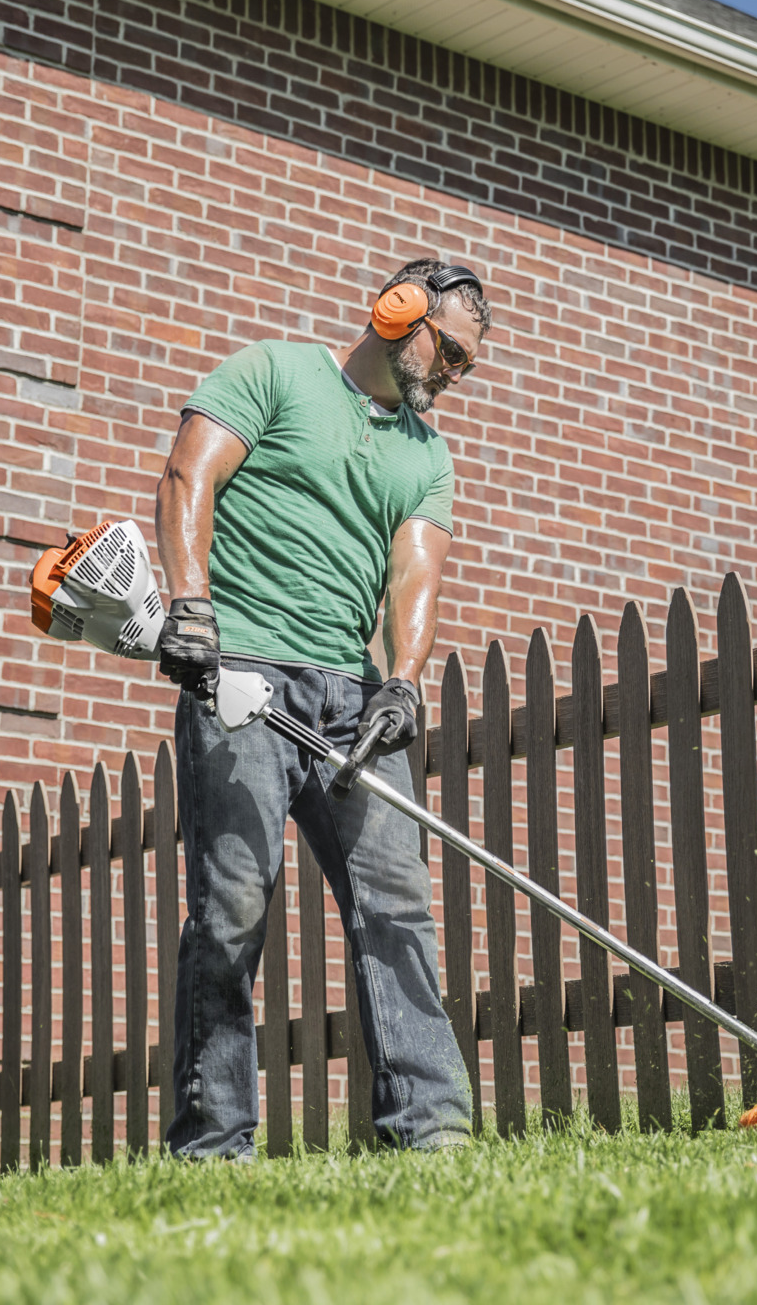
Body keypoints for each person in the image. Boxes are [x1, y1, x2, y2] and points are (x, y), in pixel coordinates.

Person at [153, 259, 489, 1156]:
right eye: (450, 352)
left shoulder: (427, 455)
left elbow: (415, 573)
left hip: (351, 701)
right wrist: (191, 608)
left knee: (398, 907)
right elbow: (190, 476)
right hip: (243, 678)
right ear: (398, 310)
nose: (455, 375)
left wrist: (403, 681)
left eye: (467, 365)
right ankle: (212, 1145)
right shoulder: (275, 374)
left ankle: (432, 1132)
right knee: (231, 910)